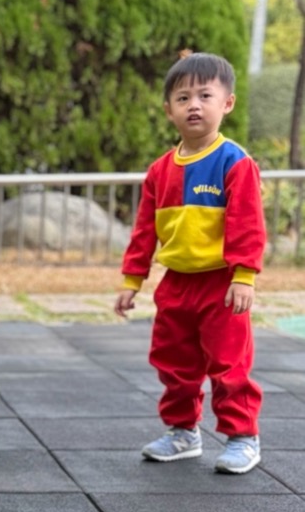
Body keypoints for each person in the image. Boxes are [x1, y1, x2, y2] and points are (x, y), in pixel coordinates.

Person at [114, 51, 266, 474]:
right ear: (169, 110)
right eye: (183, 98)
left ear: (227, 103)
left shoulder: (235, 162)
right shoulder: (160, 171)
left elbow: (247, 224)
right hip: (176, 284)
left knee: (229, 363)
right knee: (173, 361)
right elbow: (145, 229)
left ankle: (242, 436)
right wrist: (132, 280)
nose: (194, 105)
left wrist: (244, 275)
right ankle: (183, 431)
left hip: (221, 284)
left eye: (205, 95)